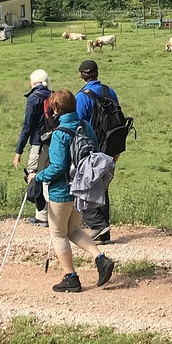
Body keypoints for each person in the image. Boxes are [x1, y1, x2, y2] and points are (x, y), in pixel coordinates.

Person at [33, 88, 115, 292]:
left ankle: (71, 277)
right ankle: (100, 258)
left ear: (57, 109)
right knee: (73, 230)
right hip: (82, 189)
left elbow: (57, 167)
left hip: (61, 192)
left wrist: (37, 177)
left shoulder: (60, 134)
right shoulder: (86, 126)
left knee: (58, 234)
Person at [74, 59, 122, 242]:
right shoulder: (109, 91)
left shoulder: (82, 97)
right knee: (102, 186)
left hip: (92, 146)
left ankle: (98, 226)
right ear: (97, 73)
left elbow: (78, 124)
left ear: (81, 75)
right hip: (111, 144)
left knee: (87, 185)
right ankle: (104, 232)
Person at [12, 68, 52, 226]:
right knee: (49, 176)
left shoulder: (33, 99)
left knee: (34, 175)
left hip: (37, 143)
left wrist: (18, 151)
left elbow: (27, 126)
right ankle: (53, 214)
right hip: (53, 143)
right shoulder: (53, 95)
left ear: (33, 82)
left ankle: (42, 215)